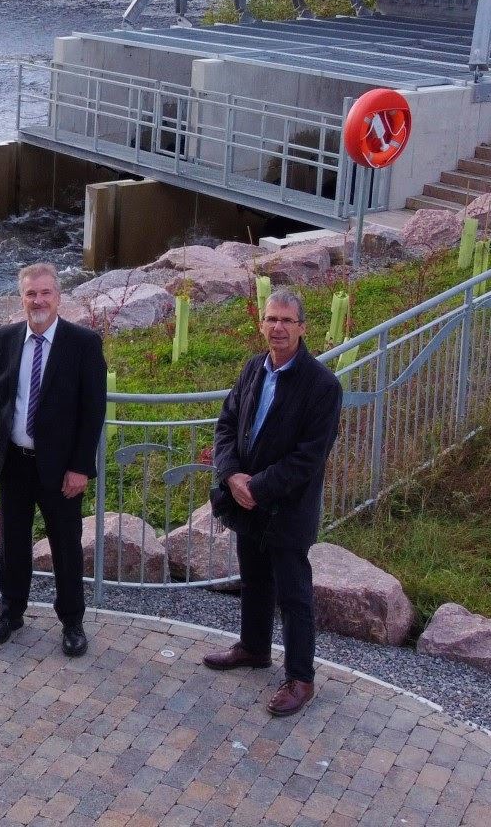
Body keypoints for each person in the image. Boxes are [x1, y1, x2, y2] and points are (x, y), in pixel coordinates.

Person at [202, 287, 343, 717]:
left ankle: (301, 677)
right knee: (254, 580)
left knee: (294, 593)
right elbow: (227, 424)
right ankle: (254, 647)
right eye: (271, 319)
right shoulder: (253, 369)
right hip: (246, 500)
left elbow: (309, 456)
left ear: (302, 328)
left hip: (286, 507)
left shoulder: (322, 386)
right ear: (261, 324)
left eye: (287, 321)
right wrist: (231, 475)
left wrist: (257, 486)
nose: (278, 328)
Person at [0, 261, 107, 657]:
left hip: (61, 468)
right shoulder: (7, 337)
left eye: (45, 293)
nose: (38, 300)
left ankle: (72, 622)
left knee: (65, 545)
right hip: (15, 463)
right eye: (30, 294)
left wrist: (80, 467)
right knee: (13, 543)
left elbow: (93, 411)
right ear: (21, 299)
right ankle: (10, 613)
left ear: (58, 298)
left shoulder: (83, 343)